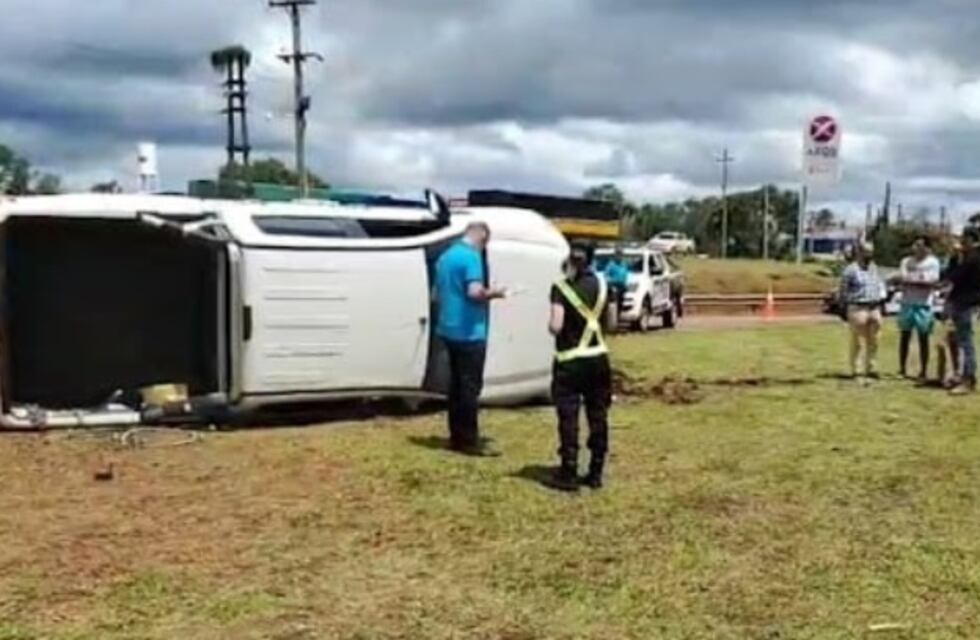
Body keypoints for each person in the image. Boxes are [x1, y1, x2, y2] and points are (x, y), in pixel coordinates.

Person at [434, 221, 507, 455]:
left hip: (448, 328)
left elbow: (435, 295)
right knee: (469, 388)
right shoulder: (471, 257)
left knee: (455, 385)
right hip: (469, 331)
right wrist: (495, 293)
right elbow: (474, 292)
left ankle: (456, 435)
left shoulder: (445, 257)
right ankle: (468, 440)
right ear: (482, 238)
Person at [547, 242, 613, 492]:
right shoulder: (605, 286)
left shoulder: (560, 288)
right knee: (598, 415)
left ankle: (569, 471)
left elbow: (556, 325)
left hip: (569, 361)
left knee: (569, 416)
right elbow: (613, 321)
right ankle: (596, 471)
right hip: (598, 359)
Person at [838, 241, 887, 380]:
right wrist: (844, 308)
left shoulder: (874, 268)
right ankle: (857, 370)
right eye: (866, 251)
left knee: (875, 340)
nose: (869, 255)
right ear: (859, 252)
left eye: (871, 252)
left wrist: (882, 302)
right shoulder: (850, 270)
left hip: (874, 307)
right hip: (858, 307)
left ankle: (872, 368)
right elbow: (843, 291)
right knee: (858, 341)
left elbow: (880, 285)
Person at [897, 236, 941, 380]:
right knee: (905, 336)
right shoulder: (906, 261)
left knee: (923, 338)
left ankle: (923, 371)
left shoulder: (933, 262)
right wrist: (919, 280)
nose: (915, 248)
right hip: (907, 302)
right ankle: (902, 369)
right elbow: (903, 278)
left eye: (919, 245)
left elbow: (932, 281)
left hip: (924, 304)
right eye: (914, 244)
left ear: (927, 247)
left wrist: (914, 280)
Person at [943, 227, 980, 395]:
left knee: (966, 343)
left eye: (964, 239)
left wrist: (956, 257)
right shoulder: (965, 258)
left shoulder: (974, 259)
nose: (961, 242)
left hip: (967, 304)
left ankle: (969, 379)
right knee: (955, 339)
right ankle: (959, 374)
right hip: (958, 302)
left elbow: (954, 276)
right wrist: (954, 257)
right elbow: (947, 275)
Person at [602, 248, 630, 333]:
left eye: (621, 255)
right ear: (615, 255)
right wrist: (611, 282)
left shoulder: (624, 264)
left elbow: (625, 274)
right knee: (614, 307)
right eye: (618, 255)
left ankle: (617, 324)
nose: (620, 257)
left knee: (620, 306)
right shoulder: (611, 265)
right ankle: (611, 325)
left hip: (622, 288)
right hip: (613, 288)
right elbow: (605, 276)